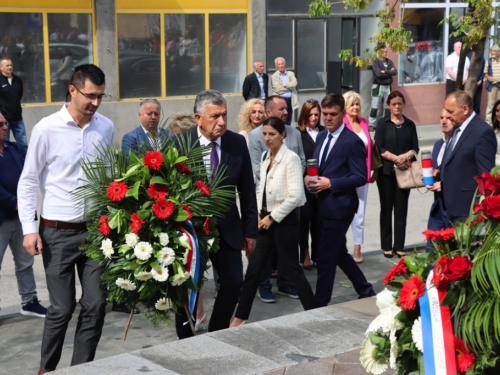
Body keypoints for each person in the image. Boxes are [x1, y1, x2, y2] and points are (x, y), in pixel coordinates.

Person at [17, 64, 114, 374]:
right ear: (72, 90)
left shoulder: (106, 127)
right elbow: (29, 181)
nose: (95, 103)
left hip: (96, 232)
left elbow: (110, 178)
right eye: (90, 96)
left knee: (96, 305)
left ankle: (80, 369)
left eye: (101, 96)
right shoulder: (46, 128)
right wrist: (29, 229)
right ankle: (47, 369)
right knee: (61, 308)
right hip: (56, 233)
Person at [174, 89, 258, 339]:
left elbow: (246, 190)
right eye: (215, 116)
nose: (221, 122)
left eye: (224, 115)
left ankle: (217, 333)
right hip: (191, 231)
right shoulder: (180, 144)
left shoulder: (236, 142)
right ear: (198, 118)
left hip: (227, 228)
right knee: (185, 286)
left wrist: (250, 231)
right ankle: (185, 339)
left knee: (233, 282)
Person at [229, 117, 317, 327]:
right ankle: (240, 317)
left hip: (284, 224)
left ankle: (315, 313)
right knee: (253, 271)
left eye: (272, 134)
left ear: (283, 135)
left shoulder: (291, 158)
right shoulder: (265, 156)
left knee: (293, 271)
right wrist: (259, 215)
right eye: (265, 134)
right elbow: (260, 188)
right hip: (264, 223)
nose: (267, 138)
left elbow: (296, 196)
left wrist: (272, 217)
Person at [306, 93, 375, 307]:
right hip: (321, 204)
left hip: (340, 207)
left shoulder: (352, 141)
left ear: (342, 114)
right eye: (325, 114)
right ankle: (365, 289)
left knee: (325, 257)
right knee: (338, 252)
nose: (327, 118)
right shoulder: (320, 136)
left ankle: (319, 305)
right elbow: (319, 166)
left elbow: (360, 176)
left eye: (332, 114)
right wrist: (310, 178)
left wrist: (331, 183)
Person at [248, 95, 306, 303]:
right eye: (281, 108)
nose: (286, 111)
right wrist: (258, 212)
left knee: (289, 256)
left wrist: (292, 176)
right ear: (269, 112)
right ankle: (262, 288)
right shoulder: (256, 137)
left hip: (288, 202)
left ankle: (287, 284)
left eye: (287, 108)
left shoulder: (294, 134)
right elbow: (258, 170)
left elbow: (300, 161)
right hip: (267, 204)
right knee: (258, 261)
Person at [0, 110, 47, 318]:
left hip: (20, 220)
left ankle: (29, 301)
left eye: (5, 124)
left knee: (25, 263)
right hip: (2, 219)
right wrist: (16, 203)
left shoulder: (16, 149)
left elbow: (30, 173)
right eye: (0, 124)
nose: (5, 128)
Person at [438, 91, 496, 224]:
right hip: (450, 206)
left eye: (450, 111)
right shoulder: (457, 127)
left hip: (468, 210)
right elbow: (455, 157)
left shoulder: (482, 132)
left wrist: (478, 212)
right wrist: (439, 170)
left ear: (465, 109)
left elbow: (486, 177)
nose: (447, 115)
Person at [374, 91, 419, 258]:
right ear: (388, 106)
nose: (397, 107)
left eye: (400, 103)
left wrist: (405, 157)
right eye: (394, 104)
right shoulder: (382, 124)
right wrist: (394, 158)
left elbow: (415, 148)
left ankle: (399, 245)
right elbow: (378, 147)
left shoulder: (410, 125)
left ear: (403, 104)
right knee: (386, 209)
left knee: (401, 209)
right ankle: (386, 245)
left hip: (404, 173)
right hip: (386, 173)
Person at [343, 91, 378, 264]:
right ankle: (340, 247)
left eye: (357, 104)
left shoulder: (364, 122)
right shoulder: (341, 124)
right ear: (345, 107)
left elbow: (370, 147)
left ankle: (357, 247)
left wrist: (373, 170)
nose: (355, 107)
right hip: (344, 175)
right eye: (352, 104)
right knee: (342, 211)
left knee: (360, 212)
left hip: (362, 174)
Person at [297, 99, 324, 270]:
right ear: (304, 115)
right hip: (304, 184)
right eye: (310, 114)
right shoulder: (298, 133)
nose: (314, 117)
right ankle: (305, 255)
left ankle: (318, 255)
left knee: (319, 222)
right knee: (304, 221)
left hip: (322, 182)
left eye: (316, 114)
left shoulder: (324, 132)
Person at [425, 109, 454, 251]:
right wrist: (429, 176)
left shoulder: (457, 145)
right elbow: (437, 169)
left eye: (448, 118)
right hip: (438, 203)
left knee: (450, 250)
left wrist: (444, 183)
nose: (444, 121)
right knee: (432, 249)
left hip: (453, 206)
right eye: (441, 117)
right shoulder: (438, 144)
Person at [368, 47, 397, 132]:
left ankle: (386, 124)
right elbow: (378, 74)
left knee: (387, 107)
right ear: (379, 53)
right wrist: (389, 72)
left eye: (386, 51)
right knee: (374, 107)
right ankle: (371, 125)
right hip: (378, 87)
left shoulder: (389, 61)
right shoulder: (375, 62)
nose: (385, 53)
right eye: (383, 52)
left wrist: (385, 71)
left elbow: (395, 72)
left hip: (388, 87)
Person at [0, 56, 26, 145]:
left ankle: (23, 159)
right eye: (7, 66)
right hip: (4, 121)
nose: (9, 67)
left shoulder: (18, 80)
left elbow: (19, 95)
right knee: (4, 145)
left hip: (18, 119)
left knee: (23, 145)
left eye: (11, 65)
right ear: (1, 67)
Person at [271, 57, 298, 125]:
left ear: (285, 64)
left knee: (289, 119)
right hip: (281, 101)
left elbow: (294, 84)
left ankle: (288, 134)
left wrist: (284, 85)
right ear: (276, 66)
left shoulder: (290, 74)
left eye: (282, 64)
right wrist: (290, 86)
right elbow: (278, 89)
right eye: (279, 64)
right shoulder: (274, 76)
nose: (281, 66)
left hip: (290, 100)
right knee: (281, 119)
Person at [484, 45, 500, 125]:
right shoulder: (489, 61)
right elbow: (485, 72)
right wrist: (487, 77)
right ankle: (488, 122)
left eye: (494, 51)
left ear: (498, 52)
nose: (492, 53)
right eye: (491, 51)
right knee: (491, 104)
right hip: (492, 85)